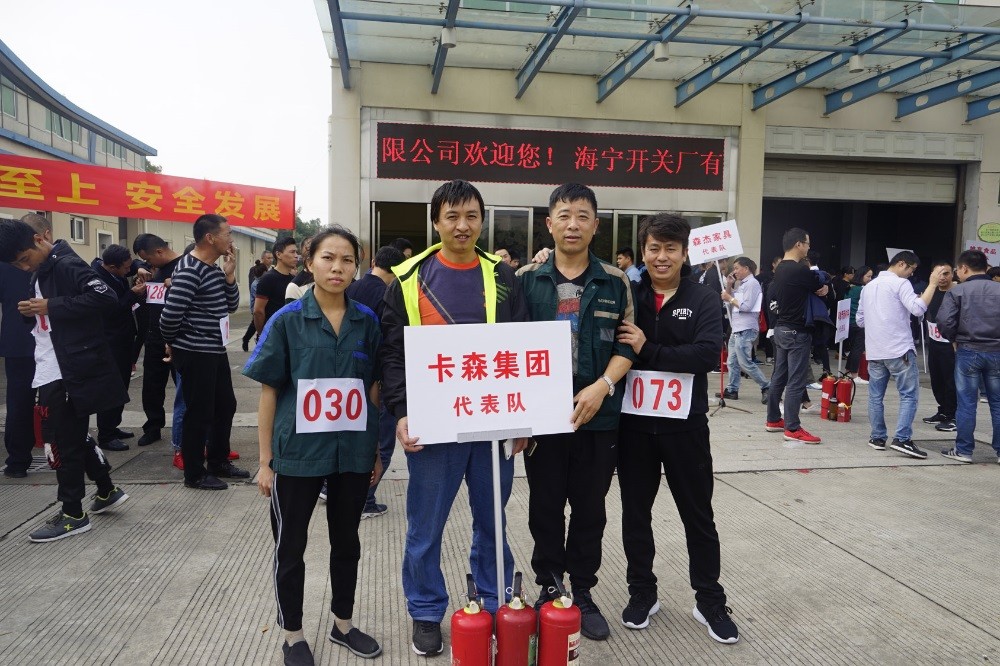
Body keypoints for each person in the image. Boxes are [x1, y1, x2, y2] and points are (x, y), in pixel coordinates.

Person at [381, 180, 529, 657]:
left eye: (471, 216)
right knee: (425, 526)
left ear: (482, 221)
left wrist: (522, 420)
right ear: (436, 222)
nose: (462, 226)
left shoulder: (503, 277)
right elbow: (393, 354)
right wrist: (402, 412)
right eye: (452, 216)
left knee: (492, 520)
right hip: (433, 425)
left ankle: (493, 600)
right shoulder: (408, 279)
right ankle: (426, 611)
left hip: (492, 424)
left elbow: (521, 347)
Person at [244, 226, 383, 664]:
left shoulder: (367, 321)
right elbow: (269, 392)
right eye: (328, 258)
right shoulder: (287, 320)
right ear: (310, 263)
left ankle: (343, 624)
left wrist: (375, 450)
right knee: (290, 546)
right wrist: (265, 461)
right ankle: (293, 634)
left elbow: (373, 389)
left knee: (347, 543)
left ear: (356, 267)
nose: (337, 267)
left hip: (352, 453)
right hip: (297, 455)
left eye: (347, 260)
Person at [517, 183, 635, 641]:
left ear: (595, 225)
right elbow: (506, 347)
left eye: (582, 216)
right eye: (564, 216)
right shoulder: (526, 279)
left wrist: (602, 387)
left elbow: (628, 345)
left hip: (598, 417)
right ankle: (551, 587)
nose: (573, 224)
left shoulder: (615, 280)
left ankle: (582, 592)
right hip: (543, 418)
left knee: (590, 509)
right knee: (544, 507)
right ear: (549, 224)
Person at [615, 213, 738, 644]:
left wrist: (648, 348)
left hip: (686, 429)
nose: (661, 256)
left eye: (670, 248)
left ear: (685, 253)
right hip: (634, 428)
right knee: (635, 514)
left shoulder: (702, 298)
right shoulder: (630, 294)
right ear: (643, 251)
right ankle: (642, 592)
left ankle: (709, 600)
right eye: (654, 248)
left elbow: (705, 355)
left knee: (698, 517)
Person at [0, 218, 129, 542]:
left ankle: (73, 514)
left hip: (67, 368)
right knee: (71, 434)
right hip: (52, 364)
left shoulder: (66, 264)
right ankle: (106, 489)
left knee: (60, 441)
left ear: (39, 239)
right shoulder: (42, 270)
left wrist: (51, 306)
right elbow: (47, 318)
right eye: (18, 265)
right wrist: (31, 311)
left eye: (25, 259)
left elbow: (106, 297)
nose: (24, 267)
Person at [160, 214, 249, 490]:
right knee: (199, 413)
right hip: (195, 351)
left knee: (225, 405)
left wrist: (230, 275)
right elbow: (169, 316)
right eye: (228, 234)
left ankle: (218, 461)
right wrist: (173, 343)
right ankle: (194, 473)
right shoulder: (190, 270)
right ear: (210, 238)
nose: (231, 239)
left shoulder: (212, 269)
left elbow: (230, 306)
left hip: (214, 349)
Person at [857, 251, 946, 459]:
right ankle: (902, 438)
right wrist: (932, 284)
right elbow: (917, 309)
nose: (911, 274)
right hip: (898, 349)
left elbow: (860, 320)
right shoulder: (900, 284)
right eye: (911, 270)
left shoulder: (868, 287)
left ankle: (877, 437)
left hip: (875, 350)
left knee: (875, 396)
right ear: (902, 264)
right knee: (908, 395)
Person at [345, 245, 405, 519]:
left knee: (351, 437)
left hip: (348, 377)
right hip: (375, 380)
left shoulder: (353, 287)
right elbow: (388, 343)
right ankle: (365, 500)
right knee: (381, 443)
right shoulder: (387, 294)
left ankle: (332, 489)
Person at [765, 228, 828, 444]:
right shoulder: (799, 269)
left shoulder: (781, 268)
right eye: (807, 243)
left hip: (781, 328)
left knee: (779, 376)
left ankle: (774, 419)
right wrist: (823, 286)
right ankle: (792, 427)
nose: (809, 247)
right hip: (796, 331)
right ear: (799, 244)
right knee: (796, 380)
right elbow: (819, 283)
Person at [937, 250, 1000, 464]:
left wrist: (954, 338)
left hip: (968, 350)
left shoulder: (957, 291)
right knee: (998, 403)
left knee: (966, 403)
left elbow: (944, 322)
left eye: (957, 269)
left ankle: (964, 450)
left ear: (964, 268)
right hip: (997, 351)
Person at [92, 244, 146, 452]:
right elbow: (112, 310)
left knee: (122, 386)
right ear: (113, 267)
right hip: (109, 342)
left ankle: (113, 427)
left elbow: (135, 265)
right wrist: (132, 293)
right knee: (110, 388)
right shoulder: (97, 280)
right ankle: (105, 435)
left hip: (124, 339)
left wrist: (139, 267)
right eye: (126, 268)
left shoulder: (115, 271)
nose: (129, 271)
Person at [1, 249, 35, 478]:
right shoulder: (50, 262)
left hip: (17, 343)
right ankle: (66, 456)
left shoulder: (5, 265)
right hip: (50, 341)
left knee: (18, 403)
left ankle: (17, 461)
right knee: (61, 402)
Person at [717, 257, 769, 404]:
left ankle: (767, 386)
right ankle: (732, 389)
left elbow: (746, 306)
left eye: (737, 268)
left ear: (746, 268)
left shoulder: (752, 284)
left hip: (745, 329)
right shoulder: (743, 284)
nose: (735, 271)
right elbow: (729, 300)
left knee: (745, 362)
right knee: (732, 362)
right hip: (737, 328)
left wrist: (729, 297)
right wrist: (729, 285)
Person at [921, 261, 957, 432]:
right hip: (934, 343)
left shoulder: (957, 291)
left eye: (946, 273)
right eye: (938, 274)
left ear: (953, 274)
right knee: (936, 379)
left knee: (951, 380)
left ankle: (952, 415)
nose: (942, 277)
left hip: (951, 345)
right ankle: (942, 410)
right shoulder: (931, 291)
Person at [254, 237, 298, 339]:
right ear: (278, 254)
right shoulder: (268, 279)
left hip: (290, 335)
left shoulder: (294, 280)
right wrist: (263, 335)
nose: (296, 256)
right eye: (292, 252)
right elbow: (258, 311)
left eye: (296, 252)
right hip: (272, 336)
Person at [844, 266, 872, 383]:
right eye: (868, 276)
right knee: (858, 349)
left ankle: (847, 372)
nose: (870, 279)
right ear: (861, 276)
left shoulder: (850, 287)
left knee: (853, 349)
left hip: (848, 322)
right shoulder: (862, 290)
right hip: (859, 322)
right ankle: (855, 375)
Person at [242, 262, 270, 351]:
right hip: (257, 308)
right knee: (256, 325)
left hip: (261, 308)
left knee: (256, 325)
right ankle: (248, 339)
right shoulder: (256, 284)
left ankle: (251, 339)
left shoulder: (262, 281)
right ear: (263, 272)